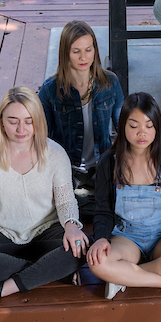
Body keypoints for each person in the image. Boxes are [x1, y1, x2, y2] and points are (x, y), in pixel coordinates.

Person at [0, 86, 88, 305]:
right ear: (2, 121)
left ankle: (1, 289)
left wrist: (72, 227)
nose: (21, 129)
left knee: (81, 247)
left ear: (38, 119)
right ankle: (51, 271)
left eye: (29, 120)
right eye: (13, 120)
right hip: (3, 235)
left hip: (45, 231)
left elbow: (65, 201)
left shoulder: (55, 154)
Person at [86, 93, 161, 299]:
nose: (141, 133)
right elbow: (103, 210)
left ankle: (124, 277)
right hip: (126, 238)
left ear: (157, 127)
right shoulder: (109, 162)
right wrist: (100, 239)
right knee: (97, 262)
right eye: (133, 126)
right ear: (122, 126)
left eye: (148, 126)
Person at [39, 20, 124, 226]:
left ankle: (92, 205)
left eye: (88, 49)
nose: (83, 57)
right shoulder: (50, 90)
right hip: (67, 169)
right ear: (65, 53)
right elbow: (42, 139)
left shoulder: (110, 83)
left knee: (121, 204)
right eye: (76, 51)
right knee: (59, 207)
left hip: (102, 166)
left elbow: (124, 129)